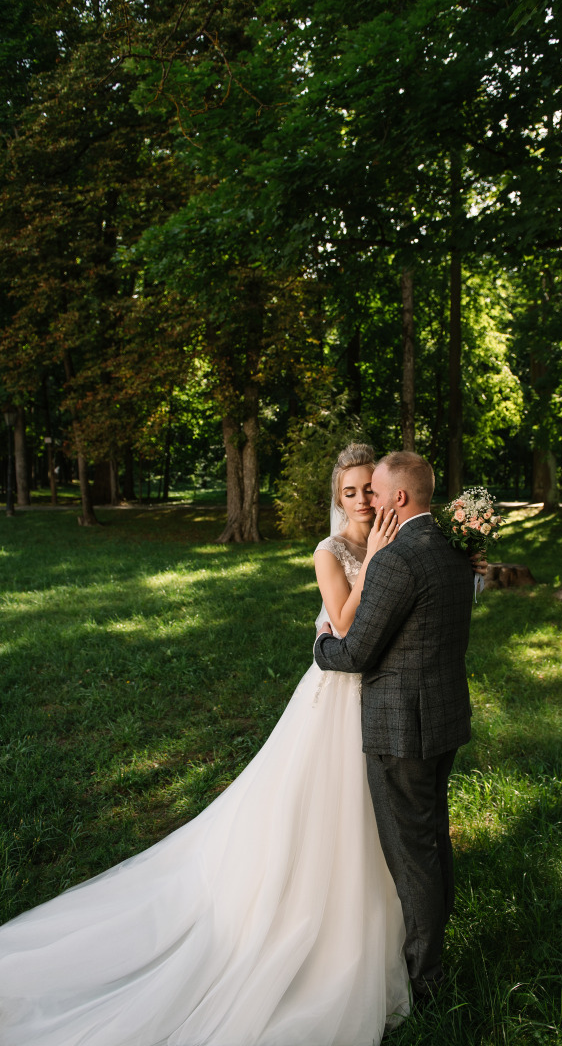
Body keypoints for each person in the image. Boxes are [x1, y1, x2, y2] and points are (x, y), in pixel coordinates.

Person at [0, 444, 410, 1046]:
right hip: (336, 696)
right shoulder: (332, 552)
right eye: (348, 492)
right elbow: (343, 626)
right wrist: (371, 558)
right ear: (336, 497)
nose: (361, 501)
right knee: (330, 806)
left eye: (367, 489)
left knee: (374, 808)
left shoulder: (393, 540)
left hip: (377, 691)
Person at [314, 451, 474, 1007]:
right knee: (431, 841)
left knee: (413, 855)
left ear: (399, 498)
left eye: (377, 492)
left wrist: (321, 649)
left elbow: (356, 650)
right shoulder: (456, 549)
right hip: (445, 717)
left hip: (402, 726)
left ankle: (425, 978)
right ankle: (437, 949)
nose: (370, 502)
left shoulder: (396, 560)